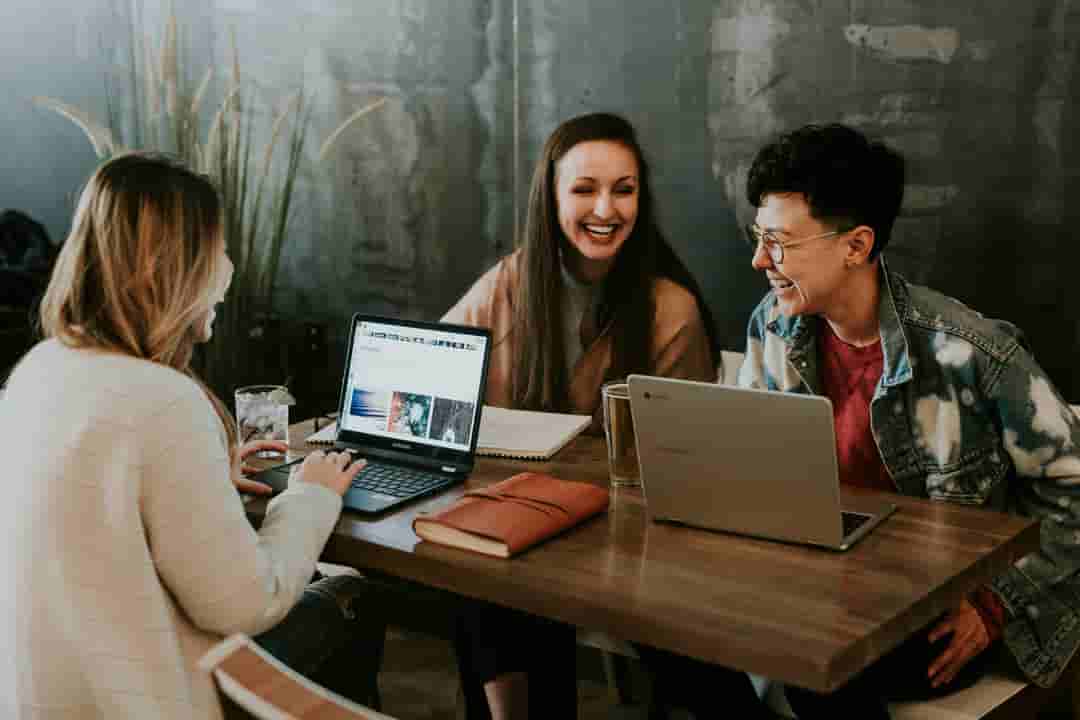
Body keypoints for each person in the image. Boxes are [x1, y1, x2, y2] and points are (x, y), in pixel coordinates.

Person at [0, 153, 382, 719]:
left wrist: (203, 473)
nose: (227, 270)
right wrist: (312, 494)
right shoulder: (164, 401)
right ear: (173, 266)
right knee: (349, 596)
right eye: (218, 252)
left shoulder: (38, 370)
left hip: (43, 698)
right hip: (138, 699)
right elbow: (246, 604)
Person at [736, 123, 1080, 717]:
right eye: (759, 236)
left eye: (780, 242)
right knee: (667, 631)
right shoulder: (773, 326)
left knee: (821, 663)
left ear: (856, 245)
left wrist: (997, 603)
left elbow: (1072, 490)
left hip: (939, 607)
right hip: (820, 587)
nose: (759, 259)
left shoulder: (972, 353)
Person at [442, 112, 720, 719]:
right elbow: (439, 364)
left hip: (626, 539)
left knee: (504, 580)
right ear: (552, 197)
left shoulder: (669, 310)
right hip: (521, 521)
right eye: (584, 189)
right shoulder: (515, 279)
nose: (606, 209)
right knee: (483, 571)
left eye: (624, 189)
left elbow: (681, 465)